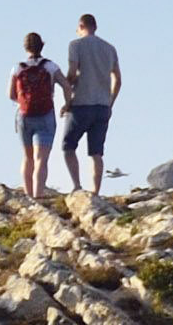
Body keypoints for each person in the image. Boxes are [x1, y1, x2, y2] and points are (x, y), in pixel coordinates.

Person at [59, 15, 122, 204]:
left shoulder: (76, 45)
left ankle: (77, 185)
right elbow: (118, 79)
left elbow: (72, 71)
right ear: (95, 26)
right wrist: (110, 102)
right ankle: (95, 191)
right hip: (102, 105)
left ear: (81, 26)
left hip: (81, 103)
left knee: (68, 146)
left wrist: (67, 90)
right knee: (96, 152)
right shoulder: (109, 48)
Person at [8, 32, 61, 197]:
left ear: (25, 47)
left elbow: (10, 94)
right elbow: (66, 85)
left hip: (24, 116)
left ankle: (28, 195)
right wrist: (67, 104)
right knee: (41, 159)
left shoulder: (18, 68)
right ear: (42, 45)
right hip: (45, 114)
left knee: (27, 157)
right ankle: (38, 195)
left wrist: (24, 102)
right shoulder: (50, 66)